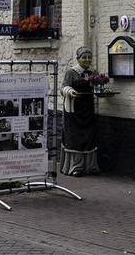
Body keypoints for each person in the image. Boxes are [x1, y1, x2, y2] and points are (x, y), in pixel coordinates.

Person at [60, 46, 99, 176]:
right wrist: (70, 92)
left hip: (88, 109)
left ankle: (90, 166)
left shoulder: (93, 73)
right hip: (74, 110)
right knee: (74, 137)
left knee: (89, 137)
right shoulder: (71, 72)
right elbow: (63, 87)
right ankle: (75, 167)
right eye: (84, 57)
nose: (87, 60)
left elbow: (97, 88)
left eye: (89, 57)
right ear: (78, 59)